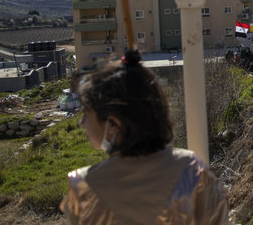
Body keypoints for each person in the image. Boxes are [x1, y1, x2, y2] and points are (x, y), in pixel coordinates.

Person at [60, 50, 229, 224]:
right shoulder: (193, 171)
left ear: (113, 124)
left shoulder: (85, 188)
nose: (82, 123)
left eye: (86, 114)